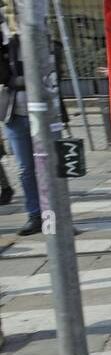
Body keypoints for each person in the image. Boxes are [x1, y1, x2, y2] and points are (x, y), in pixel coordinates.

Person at [0, 28, 44, 236]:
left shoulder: (46, 43)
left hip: (44, 117)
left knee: (48, 168)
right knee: (25, 169)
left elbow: (51, 74)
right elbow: (4, 76)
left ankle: (55, 213)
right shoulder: (7, 47)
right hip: (14, 117)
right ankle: (34, 215)